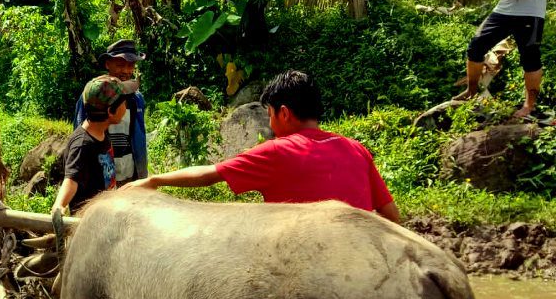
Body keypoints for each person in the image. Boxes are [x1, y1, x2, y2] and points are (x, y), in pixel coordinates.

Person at [124, 70, 401, 223]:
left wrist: (155, 180)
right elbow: (391, 215)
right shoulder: (355, 148)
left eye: (269, 114)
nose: (269, 121)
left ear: (283, 113)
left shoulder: (278, 151)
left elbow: (209, 174)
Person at [453, 0, 551, 118]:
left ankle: (529, 106)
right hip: (503, 10)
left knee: (530, 60)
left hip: (531, 13)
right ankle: (471, 91)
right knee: (475, 47)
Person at [54, 75, 139, 214]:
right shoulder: (82, 145)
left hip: (104, 215)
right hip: (88, 223)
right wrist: (59, 205)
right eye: (123, 103)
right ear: (111, 111)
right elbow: (71, 179)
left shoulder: (102, 133)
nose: (126, 107)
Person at [74, 39, 148, 184]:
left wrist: (142, 175)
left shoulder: (137, 99)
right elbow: (80, 133)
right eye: (120, 65)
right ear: (108, 64)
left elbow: (140, 136)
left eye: (131, 65)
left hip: (130, 173)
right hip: (102, 175)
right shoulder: (92, 97)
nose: (126, 71)